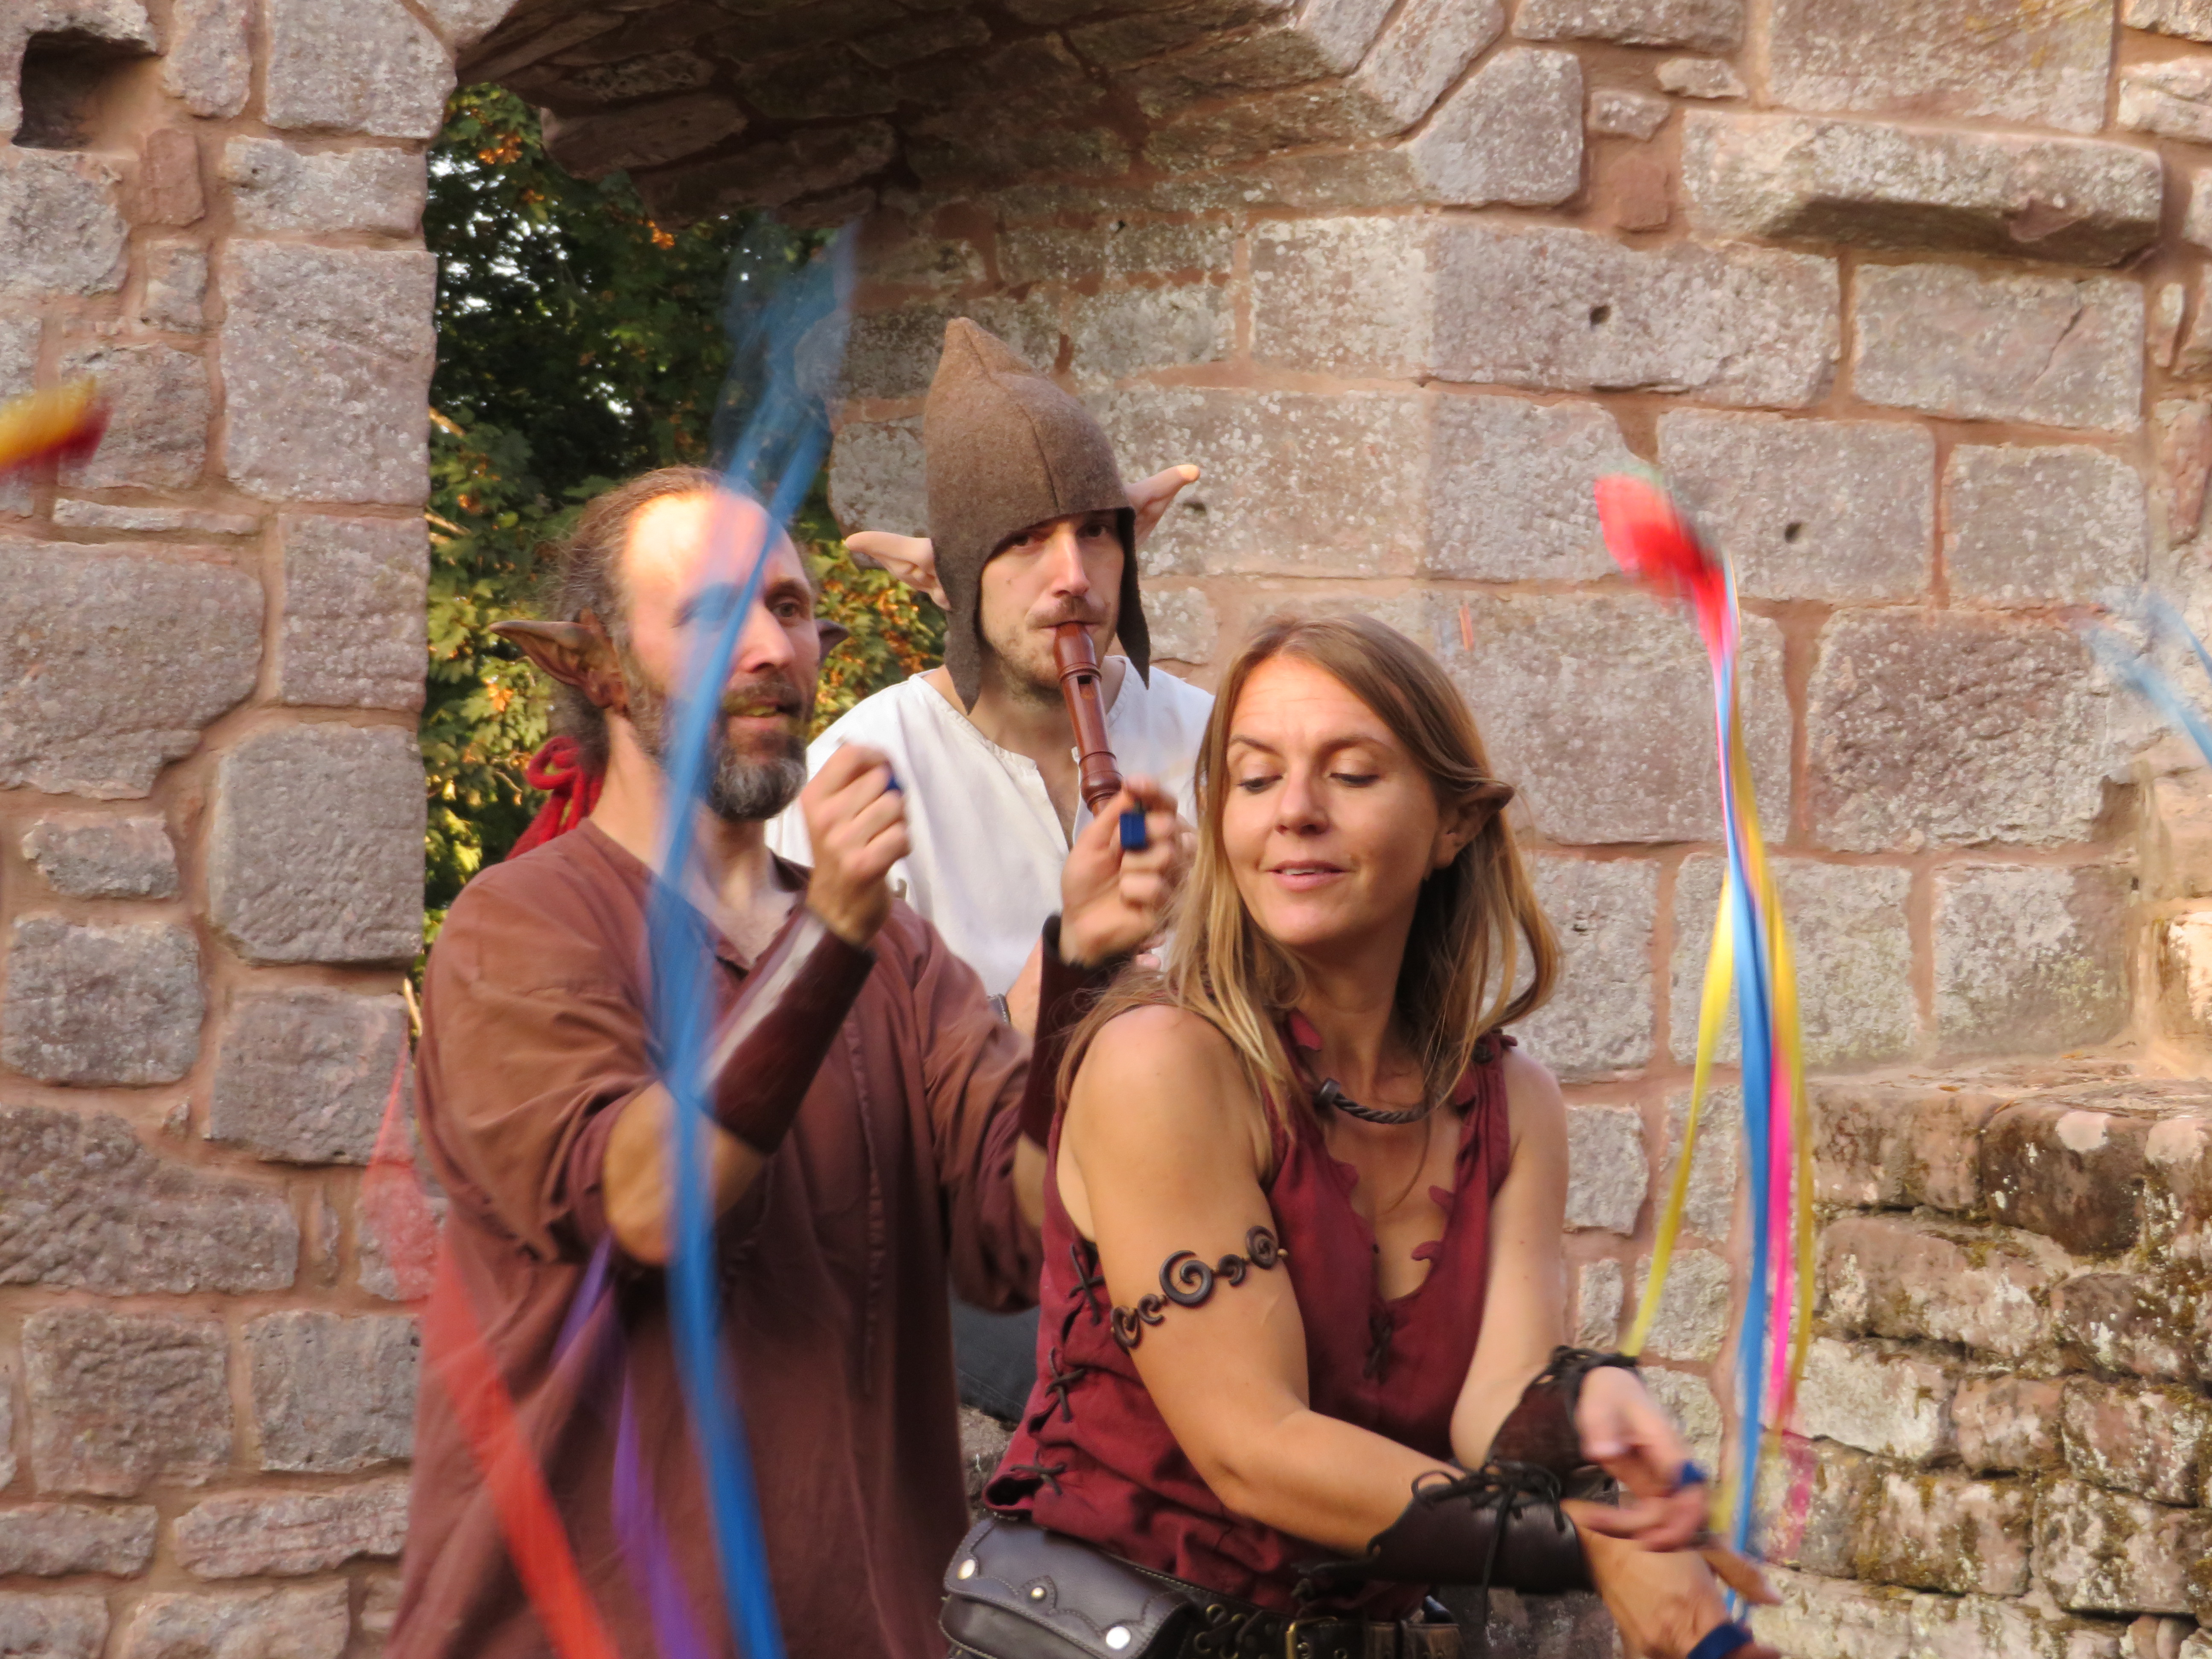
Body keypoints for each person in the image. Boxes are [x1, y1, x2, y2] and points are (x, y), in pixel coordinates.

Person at [389, 468, 1183, 1659]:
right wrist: (828, 945)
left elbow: (1017, 1238)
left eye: (792, 608)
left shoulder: (898, 952)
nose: (769, 647)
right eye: (713, 614)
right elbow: (644, 1206)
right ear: (598, 667)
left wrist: (1081, 966)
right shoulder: (522, 928)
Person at [953, 615, 1778, 1659]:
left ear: (1454, 825)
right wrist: (1593, 1550)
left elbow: (1491, 1413)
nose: (1295, 811)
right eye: (1255, 779)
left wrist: (1589, 1404)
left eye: (1350, 774)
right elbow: (1256, 1448)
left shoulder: (1511, 1102)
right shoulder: (1161, 1063)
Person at [768, 318, 1214, 1419]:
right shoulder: (855, 777)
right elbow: (832, 1123)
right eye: (1022, 544)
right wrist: (1039, 994)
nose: (1072, 580)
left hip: (1211, 1188)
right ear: (947, 581)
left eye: (1097, 534)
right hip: (978, 1238)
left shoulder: (1218, 745)